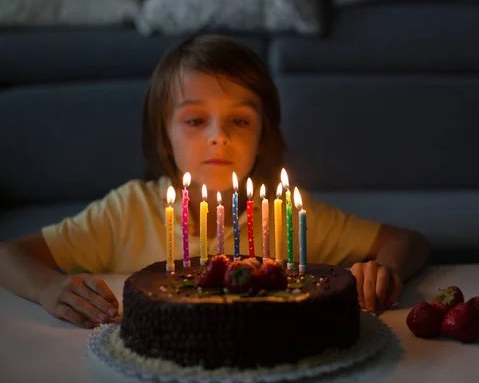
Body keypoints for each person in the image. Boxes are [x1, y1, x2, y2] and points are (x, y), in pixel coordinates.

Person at [0, 35, 429, 329]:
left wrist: (384, 270)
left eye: (239, 120)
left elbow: (408, 241)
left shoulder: (285, 215)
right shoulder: (126, 212)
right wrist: (47, 288)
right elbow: (9, 254)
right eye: (195, 119)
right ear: (163, 136)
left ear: (263, 136)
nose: (218, 136)